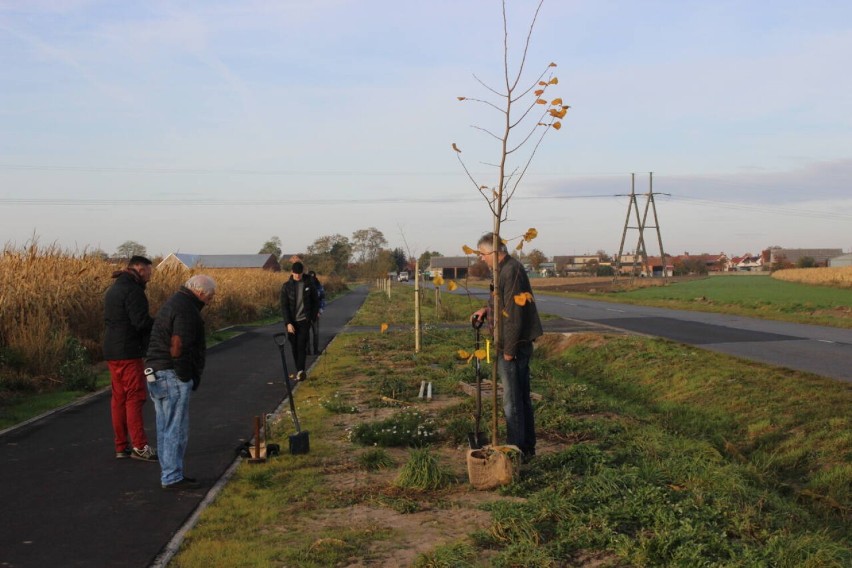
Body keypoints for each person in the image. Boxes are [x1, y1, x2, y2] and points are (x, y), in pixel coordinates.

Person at [471, 232, 543, 461]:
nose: (481, 259)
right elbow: (499, 301)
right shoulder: (503, 270)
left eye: (482, 254)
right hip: (509, 343)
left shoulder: (511, 271)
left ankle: (516, 451)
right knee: (519, 397)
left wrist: (509, 351)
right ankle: (526, 448)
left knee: (512, 401)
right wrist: (485, 310)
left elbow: (514, 315)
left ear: (493, 252)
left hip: (513, 345)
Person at [145, 274, 216, 490]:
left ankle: (169, 473)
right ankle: (172, 476)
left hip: (157, 372)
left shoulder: (175, 302)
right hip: (171, 375)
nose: (210, 301)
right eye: (210, 297)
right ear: (201, 293)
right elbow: (178, 347)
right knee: (176, 428)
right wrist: (186, 377)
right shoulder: (186, 310)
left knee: (164, 426)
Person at [103, 255, 157, 461]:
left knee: (119, 398)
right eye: (149, 271)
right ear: (140, 269)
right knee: (135, 396)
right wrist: (159, 324)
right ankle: (140, 446)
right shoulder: (133, 291)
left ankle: (121, 446)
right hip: (128, 351)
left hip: (112, 350)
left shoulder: (113, 289)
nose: (150, 276)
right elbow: (141, 322)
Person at [280, 261, 319, 381]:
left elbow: (315, 302)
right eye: (295, 274)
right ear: (292, 272)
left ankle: (301, 371)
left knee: (302, 345)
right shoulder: (286, 286)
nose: (297, 276)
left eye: (299, 274)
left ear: (302, 273)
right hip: (292, 322)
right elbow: (284, 306)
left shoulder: (309, 284)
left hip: (304, 321)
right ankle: (299, 371)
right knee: (294, 347)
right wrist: (288, 323)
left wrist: (311, 318)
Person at [306, 270, 326, 355]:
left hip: (316, 313)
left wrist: (320, 311)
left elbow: (322, 299)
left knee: (315, 333)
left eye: (313, 277)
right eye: (310, 277)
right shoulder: (304, 286)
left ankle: (316, 349)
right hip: (306, 313)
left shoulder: (319, 286)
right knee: (306, 333)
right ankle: (307, 350)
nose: (312, 279)